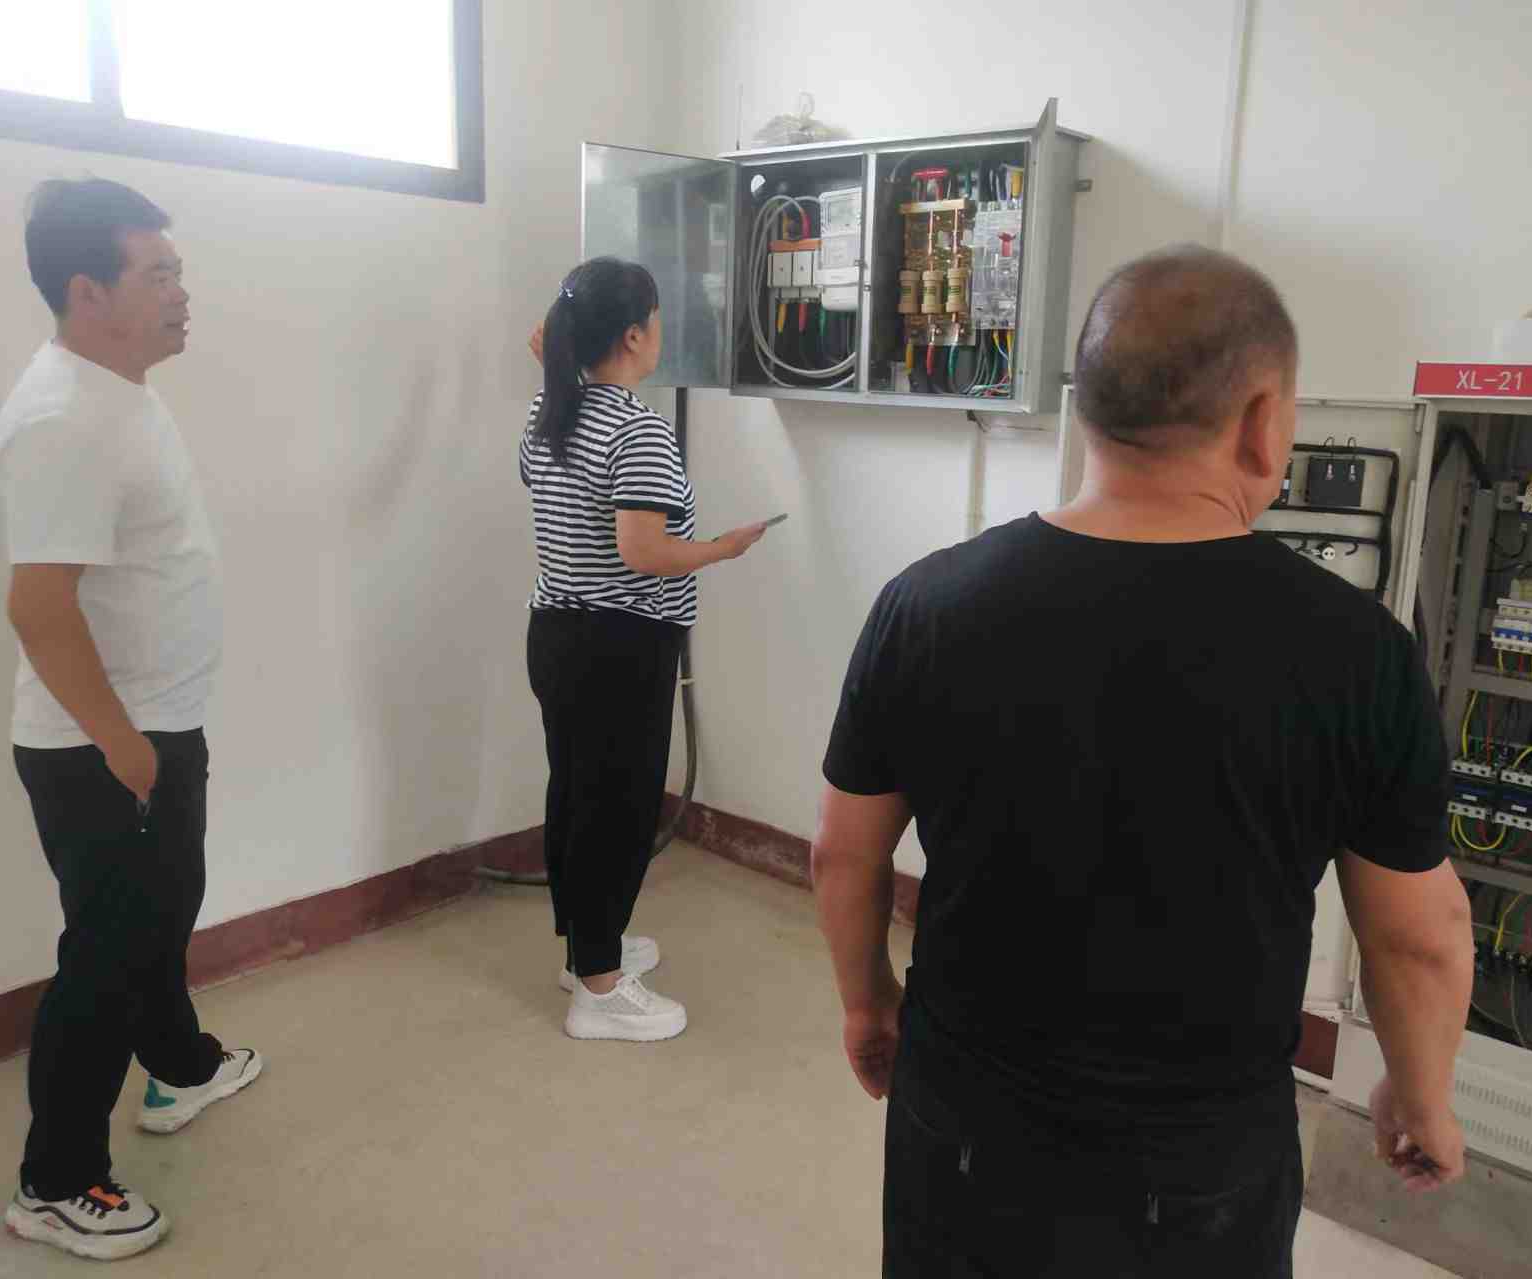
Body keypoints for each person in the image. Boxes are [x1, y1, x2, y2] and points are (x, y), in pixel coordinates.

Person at [812, 245, 1473, 1277]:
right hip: (1200, 1169)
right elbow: (1418, 937)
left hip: (965, 1128)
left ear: (1086, 406)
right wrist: (1419, 1091)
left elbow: (843, 855)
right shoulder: (1358, 655)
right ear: (1263, 421)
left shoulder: (926, 605)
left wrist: (867, 1001)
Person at [0, 179, 262, 1261]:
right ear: (87, 290)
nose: (181, 292)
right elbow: (37, 606)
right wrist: (123, 744)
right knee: (106, 958)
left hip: (153, 725)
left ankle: (180, 1069)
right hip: (104, 745)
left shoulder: (115, 389)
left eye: (177, 270)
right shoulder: (60, 418)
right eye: (158, 275)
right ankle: (56, 1182)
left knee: (157, 915)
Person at [521, 257, 768, 1042]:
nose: (661, 330)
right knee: (617, 808)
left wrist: (554, 366)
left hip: (557, 635)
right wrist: (723, 547)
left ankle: (586, 947)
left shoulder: (550, 412)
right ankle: (599, 988)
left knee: (578, 793)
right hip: (619, 647)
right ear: (634, 335)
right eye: (655, 317)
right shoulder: (637, 430)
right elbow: (643, 551)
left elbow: (556, 485)